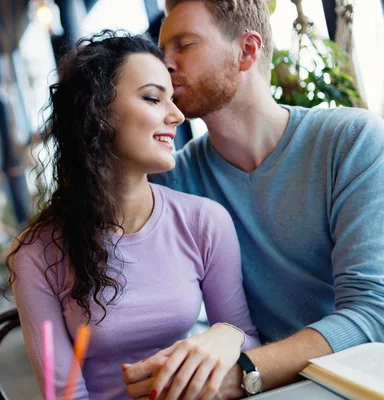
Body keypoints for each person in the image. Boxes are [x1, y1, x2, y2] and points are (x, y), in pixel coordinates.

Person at [123, 1, 384, 399]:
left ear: (247, 51)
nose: (165, 65)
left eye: (184, 45)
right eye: (162, 52)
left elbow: (373, 313)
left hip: (355, 381)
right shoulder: (171, 180)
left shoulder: (350, 141)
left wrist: (246, 370)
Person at [7, 31, 260, 400]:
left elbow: (247, 343)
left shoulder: (203, 221)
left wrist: (228, 335)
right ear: (97, 111)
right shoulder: (36, 254)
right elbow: (65, 396)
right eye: (154, 98)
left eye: (172, 100)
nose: (176, 115)